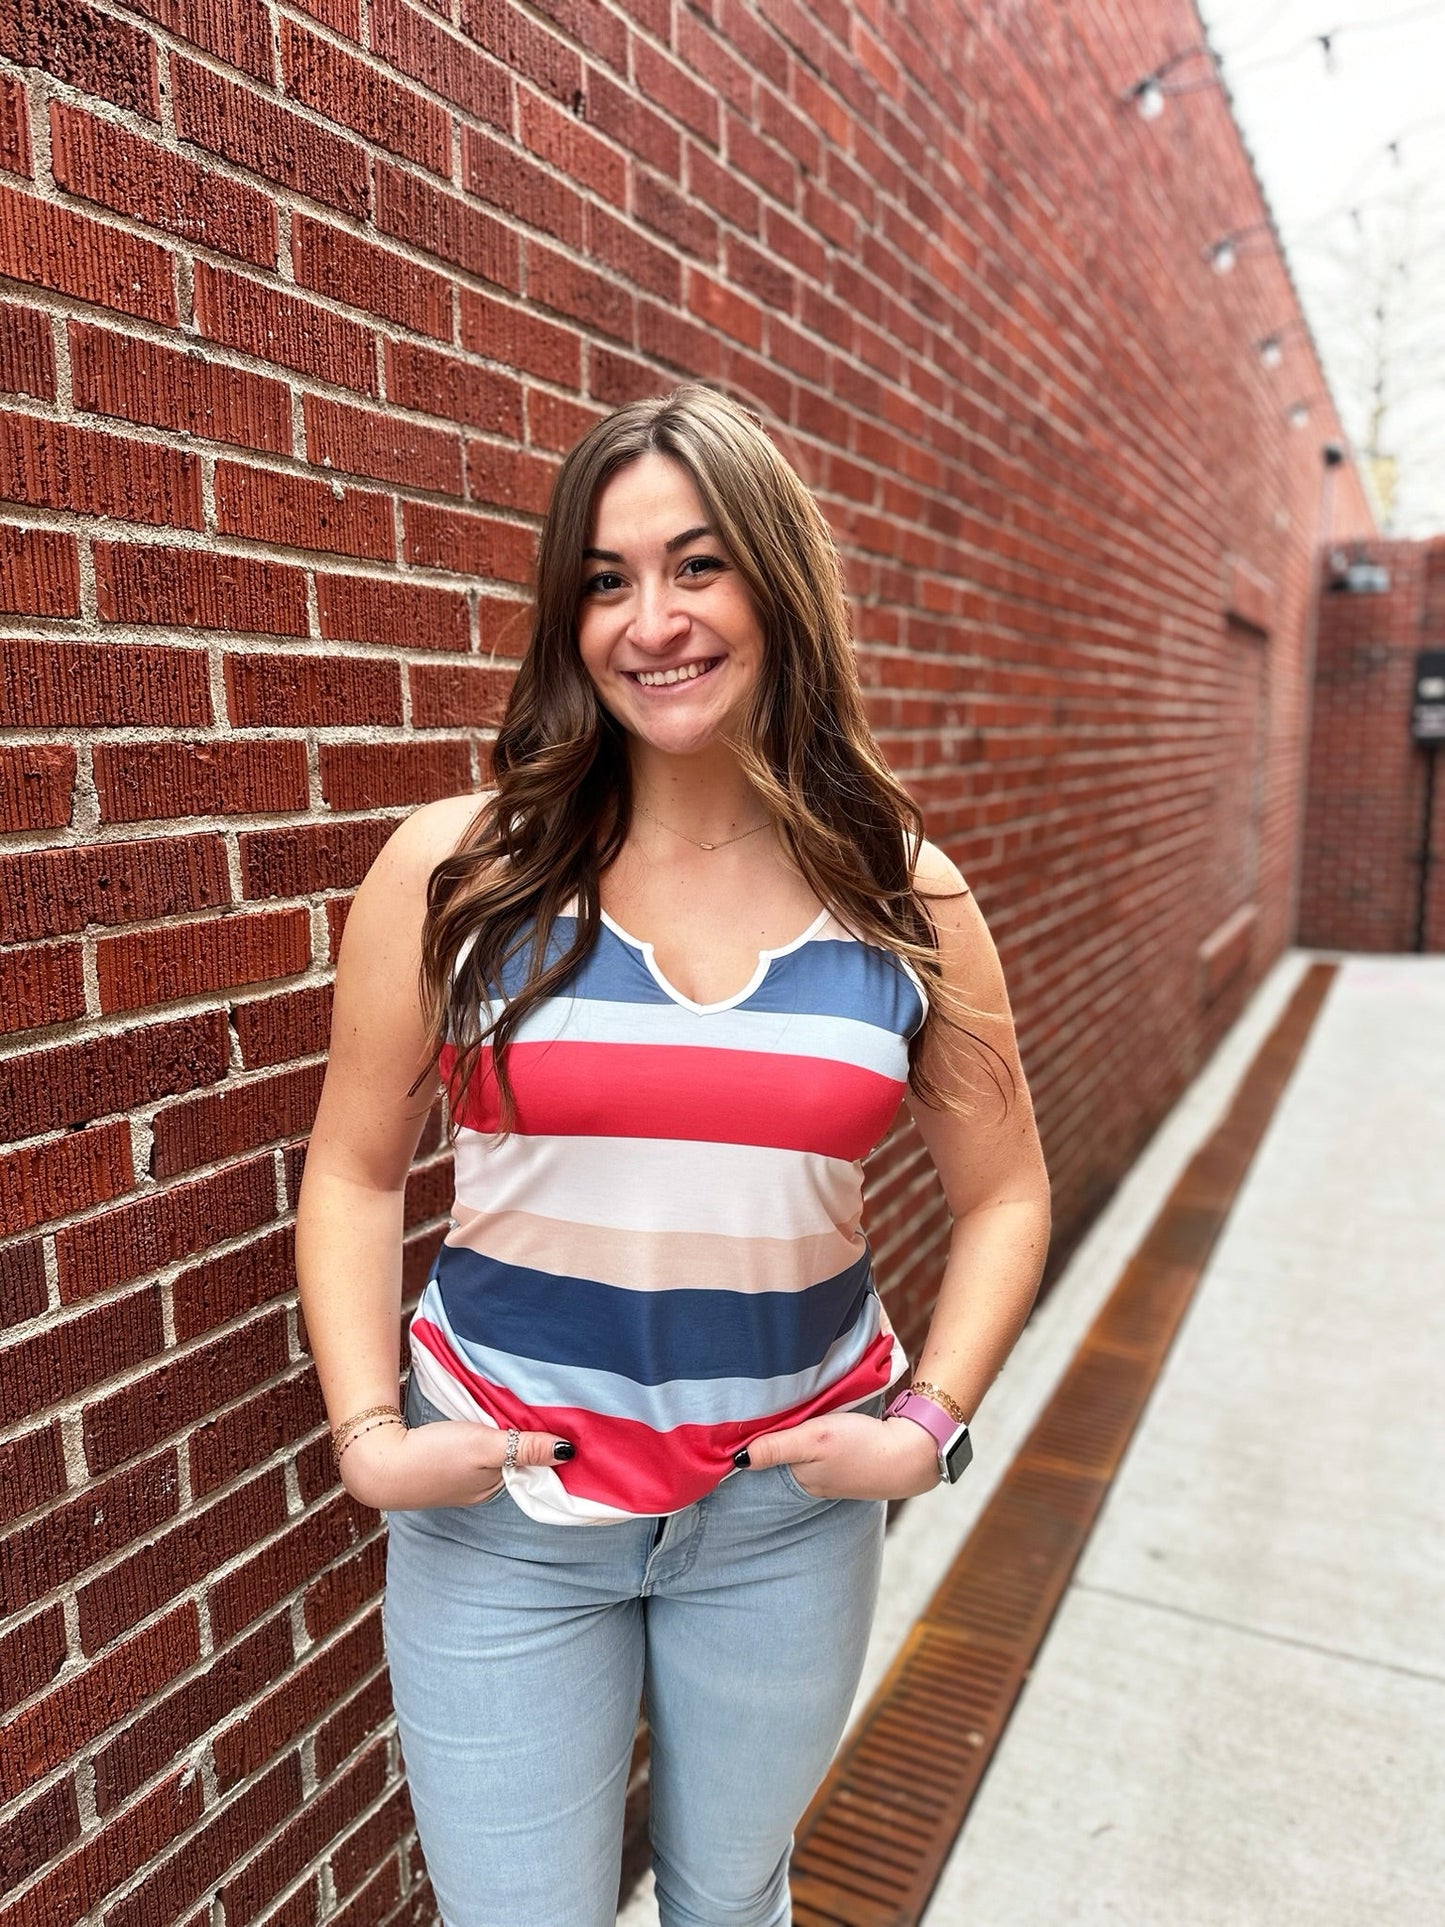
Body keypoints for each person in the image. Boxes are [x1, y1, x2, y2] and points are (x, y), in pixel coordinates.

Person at [295, 385, 1050, 1927]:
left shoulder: (901, 892)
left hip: (783, 1514)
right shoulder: (459, 871)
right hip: (499, 1507)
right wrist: (370, 1435)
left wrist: (930, 1428)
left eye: (696, 567)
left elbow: (1005, 1192)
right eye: (604, 579)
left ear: (776, 584)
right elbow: (358, 1173)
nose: (652, 621)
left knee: (733, 1904)